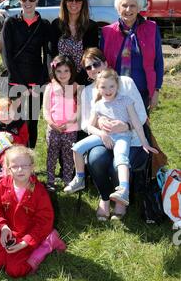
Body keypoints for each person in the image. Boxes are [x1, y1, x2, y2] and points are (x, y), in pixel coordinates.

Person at [65, 68, 158, 207]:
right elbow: (89, 127)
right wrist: (101, 133)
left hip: (122, 137)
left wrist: (145, 143)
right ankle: (80, 178)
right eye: (103, 87)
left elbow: (137, 124)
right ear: (98, 87)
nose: (108, 90)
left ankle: (124, 189)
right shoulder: (97, 105)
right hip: (105, 136)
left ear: (117, 85)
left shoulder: (125, 100)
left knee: (121, 159)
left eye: (111, 86)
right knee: (77, 148)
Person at [77, 47, 149, 221]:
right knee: (95, 160)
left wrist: (125, 125)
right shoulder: (87, 92)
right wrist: (100, 130)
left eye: (97, 64)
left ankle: (120, 201)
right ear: (86, 72)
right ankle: (105, 197)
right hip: (104, 139)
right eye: (89, 67)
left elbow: (142, 115)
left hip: (130, 139)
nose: (94, 69)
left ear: (106, 63)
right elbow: (85, 123)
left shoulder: (126, 82)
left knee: (117, 163)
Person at [0, 145, 66, 277]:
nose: (20, 169)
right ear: (8, 169)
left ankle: (47, 244)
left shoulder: (39, 192)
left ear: (32, 167)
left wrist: (25, 242)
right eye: (15, 166)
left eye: (25, 166)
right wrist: (3, 227)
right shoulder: (0, 187)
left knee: (16, 270)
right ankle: (13, 247)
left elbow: (44, 221)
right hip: (7, 232)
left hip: (30, 233)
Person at [2, 0, 51, 148]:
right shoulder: (11, 23)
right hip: (15, 80)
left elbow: (48, 55)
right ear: (19, 0)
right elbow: (6, 55)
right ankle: (14, 161)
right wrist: (21, 84)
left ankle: (29, 161)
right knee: (13, 122)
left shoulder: (44, 25)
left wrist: (41, 81)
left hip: (35, 80)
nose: (27, 2)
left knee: (32, 122)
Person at [101, 0, 164, 111]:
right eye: (124, 5)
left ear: (139, 7)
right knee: (118, 128)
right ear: (118, 7)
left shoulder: (151, 28)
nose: (128, 9)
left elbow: (158, 61)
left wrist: (156, 90)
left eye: (133, 5)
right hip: (114, 91)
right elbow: (103, 65)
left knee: (140, 127)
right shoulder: (107, 32)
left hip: (142, 91)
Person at [43, 55, 80, 190]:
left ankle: (68, 180)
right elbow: (46, 110)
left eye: (66, 71)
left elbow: (79, 111)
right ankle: (50, 181)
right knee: (51, 154)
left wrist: (69, 123)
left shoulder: (76, 87)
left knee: (69, 156)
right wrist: (52, 123)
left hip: (70, 129)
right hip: (53, 128)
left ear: (72, 71)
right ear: (54, 72)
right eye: (59, 71)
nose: (62, 74)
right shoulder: (50, 88)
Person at [51, 0, 99, 85]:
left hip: (83, 81)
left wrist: (76, 82)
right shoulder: (56, 25)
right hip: (61, 80)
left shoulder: (91, 27)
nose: (74, 3)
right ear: (64, 2)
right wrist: (57, 78)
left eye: (78, 0)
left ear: (83, 3)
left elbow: (90, 58)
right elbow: (53, 55)